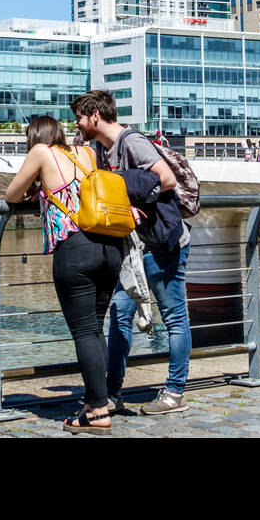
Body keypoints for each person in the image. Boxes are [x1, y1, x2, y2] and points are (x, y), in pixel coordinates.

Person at [71, 90, 189, 416]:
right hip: (132, 249)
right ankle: (111, 394)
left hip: (163, 245)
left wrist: (132, 198)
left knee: (174, 318)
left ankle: (175, 392)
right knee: (119, 318)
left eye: (79, 117)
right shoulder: (100, 150)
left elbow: (165, 179)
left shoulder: (131, 141)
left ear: (95, 115)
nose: (77, 123)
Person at [4, 115, 124, 434]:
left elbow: (11, 194)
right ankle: (96, 401)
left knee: (84, 331)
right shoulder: (86, 152)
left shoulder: (41, 152)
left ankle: (97, 412)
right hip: (110, 248)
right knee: (95, 327)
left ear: (36, 136)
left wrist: (36, 189)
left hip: (76, 250)